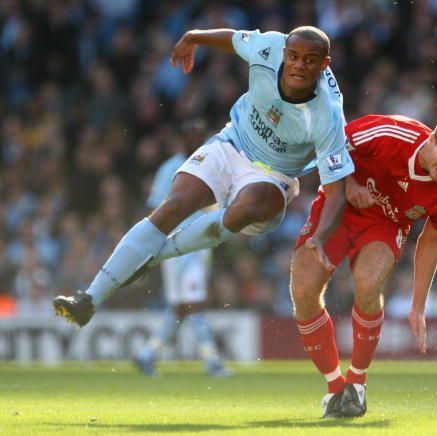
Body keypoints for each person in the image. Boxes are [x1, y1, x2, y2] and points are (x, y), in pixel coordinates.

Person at [53, 26, 354, 327]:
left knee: (247, 207)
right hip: (232, 143)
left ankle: (153, 258)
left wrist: (320, 237)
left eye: (310, 60)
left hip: (273, 175)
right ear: (285, 53)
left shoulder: (327, 115)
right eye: (294, 56)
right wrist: (194, 36)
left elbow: (336, 191)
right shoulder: (268, 47)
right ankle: (88, 299)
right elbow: (234, 40)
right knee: (173, 206)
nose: (299, 65)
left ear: (324, 64)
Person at [290, 112, 437, 418]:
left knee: (368, 282)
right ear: (430, 140)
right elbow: (329, 144)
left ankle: (357, 384)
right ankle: (335, 388)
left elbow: (431, 241)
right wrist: (349, 182)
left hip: (385, 224)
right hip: (337, 204)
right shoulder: (389, 133)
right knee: (302, 291)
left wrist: (418, 306)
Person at [133, 120, 232, 378]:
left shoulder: (210, 163)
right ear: (180, 140)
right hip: (178, 250)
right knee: (194, 304)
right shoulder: (170, 169)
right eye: (190, 136)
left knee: (180, 308)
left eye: (199, 135)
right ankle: (212, 361)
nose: (195, 140)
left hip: (200, 247)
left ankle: (147, 354)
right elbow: (156, 208)